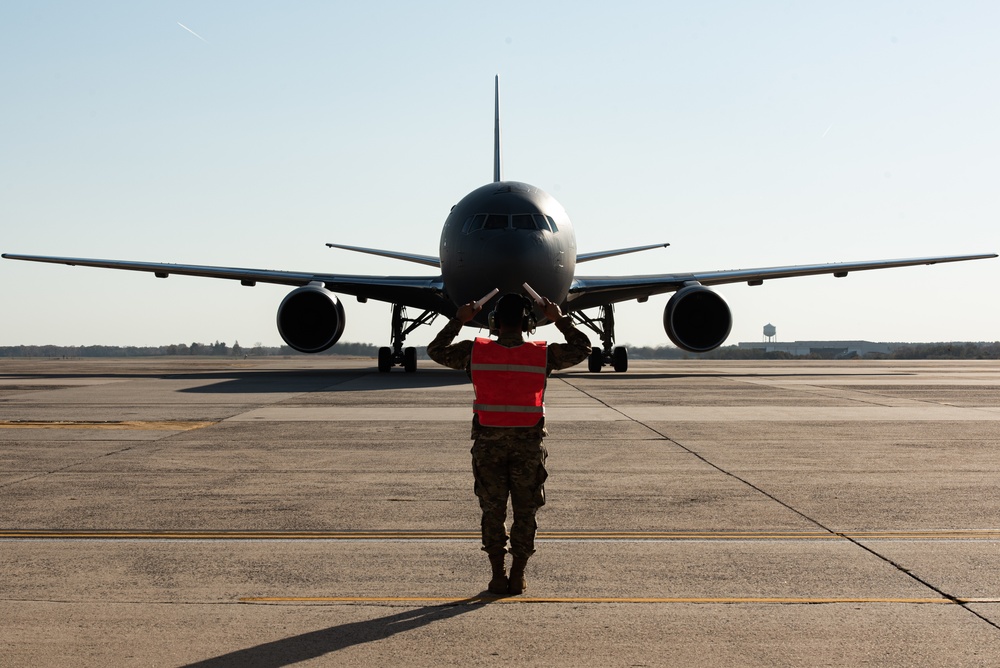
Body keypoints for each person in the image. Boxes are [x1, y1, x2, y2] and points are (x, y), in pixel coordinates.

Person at [427, 292, 591, 595]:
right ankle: (518, 574)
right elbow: (583, 348)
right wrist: (558, 320)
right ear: (529, 322)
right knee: (525, 512)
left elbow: (436, 349)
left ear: (493, 322)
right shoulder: (543, 354)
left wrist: (459, 320)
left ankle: (496, 575)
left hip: (488, 447)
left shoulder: (474, 351)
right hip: (527, 447)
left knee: (493, 511)